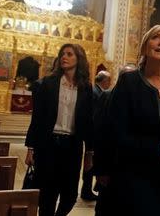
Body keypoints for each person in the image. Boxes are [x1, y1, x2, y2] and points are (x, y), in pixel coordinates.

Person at [107, 25, 160, 215]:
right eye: (156, 37)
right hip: (134, 174)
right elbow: (116, 134)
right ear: (145, 47)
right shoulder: (128, 82)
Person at [25, 44, 94, 216]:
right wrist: (30, 148)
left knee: (70, 195)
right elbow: (37, 118)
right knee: (48, 193)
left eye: (69, 54)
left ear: (79, 59)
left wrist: (90, 153)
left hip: (72, 145)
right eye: (62, 54)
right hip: (48, 144)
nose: (64, 57)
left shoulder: (86, 87)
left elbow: (88, 121)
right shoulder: (47, 84)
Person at [93, 64, 136, 216]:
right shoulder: (107, 95)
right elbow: (100, 133)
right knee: (106, 207)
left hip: (132, 168)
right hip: (111, 164)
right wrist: (100, 169)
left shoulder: (140, 98)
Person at [80, 70, 111, 201]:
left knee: (91, 163)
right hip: (93, 135)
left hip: (93, 135)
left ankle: (88, 188)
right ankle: (86, 190)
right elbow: (94, 117)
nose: (110, 83)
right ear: (104, 81)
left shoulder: (97, 91)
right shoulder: (97, 93)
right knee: (90, 163)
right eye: (109, 80)